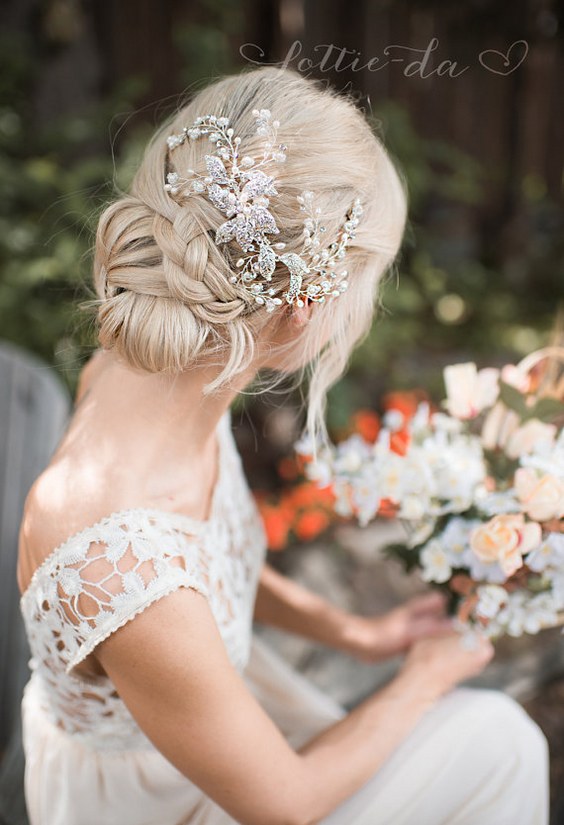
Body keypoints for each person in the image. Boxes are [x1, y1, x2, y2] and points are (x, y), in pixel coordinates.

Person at [16, 66, 549, 825]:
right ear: (301, 312)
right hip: (156, 800)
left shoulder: (141, 371)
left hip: (202, 720)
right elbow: (286, 804)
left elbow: (199, 563)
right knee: (501, 739)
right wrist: (424, 676)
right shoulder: (114, 559)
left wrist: (353, 632)